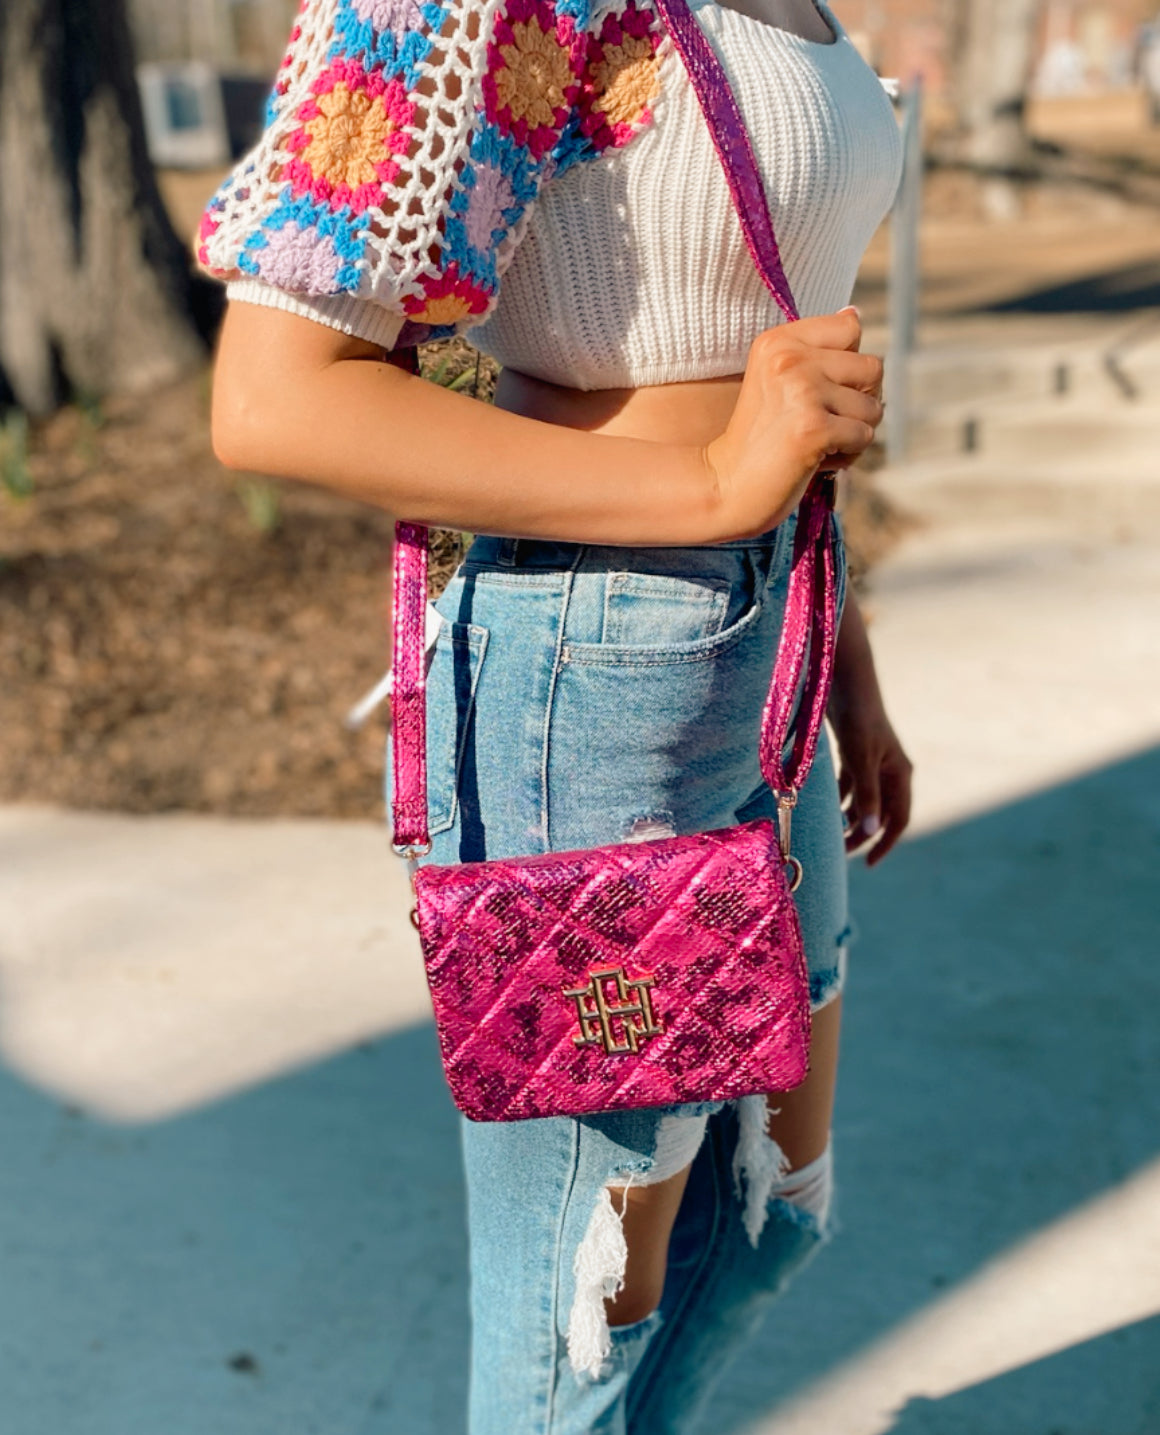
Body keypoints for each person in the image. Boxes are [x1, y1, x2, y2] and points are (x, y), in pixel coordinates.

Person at [199, 0, 913, 1427]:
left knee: (767, 1216)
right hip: (600, 674)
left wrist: (846, 666)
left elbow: (769, 357)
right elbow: (275, 403)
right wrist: (715, 490)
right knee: (583, 1305)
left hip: (775, 635)